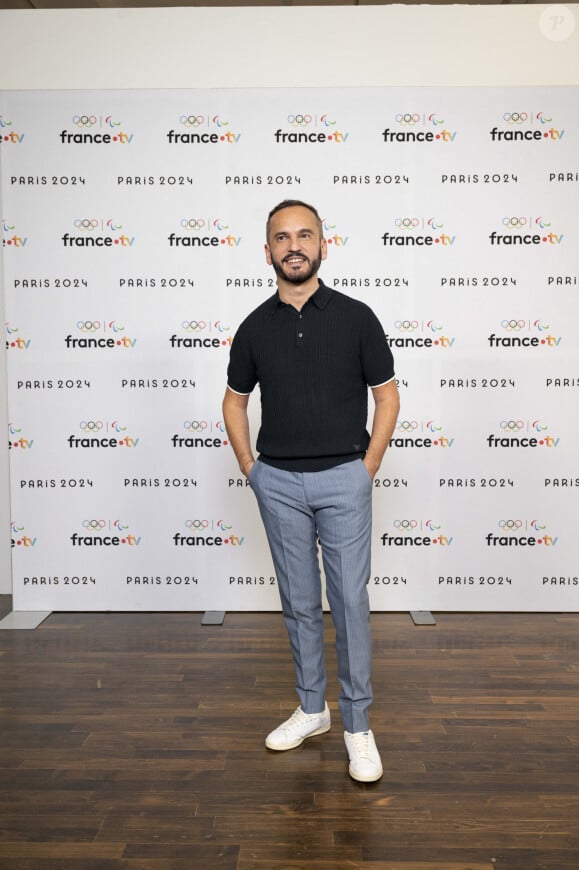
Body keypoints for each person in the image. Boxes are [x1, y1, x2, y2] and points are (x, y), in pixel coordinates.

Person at [222, 199, 400, 782]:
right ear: (267, 250)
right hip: (277, 482)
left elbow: (387, 394)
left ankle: (357, 726)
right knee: (300, 603)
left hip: (345, 477)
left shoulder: (357, 317)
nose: (293, 245)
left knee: (348, 602)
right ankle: (310, 709)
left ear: (325, 245)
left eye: (305, 235)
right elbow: (235, 401)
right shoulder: (253, 326)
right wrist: (252, 468)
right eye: (281, 237)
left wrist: (366, 466)